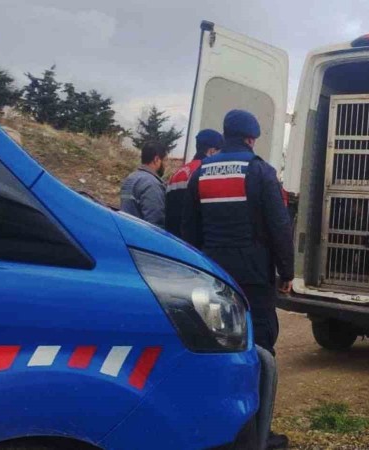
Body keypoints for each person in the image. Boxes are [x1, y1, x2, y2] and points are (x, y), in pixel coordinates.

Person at [182, 110, 293, 450]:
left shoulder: (200, 173)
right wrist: (287, 272)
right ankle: (257, 435)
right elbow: (279, 227)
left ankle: (214, 430)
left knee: (215, 349)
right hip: (254, 278)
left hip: (212, 277)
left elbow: (189, 231)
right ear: (251, 138)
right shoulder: (260, 172)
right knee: (259, 350)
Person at [164, 129, 224, 237]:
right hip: (194, 240)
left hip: (173, 239)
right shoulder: (206, 172)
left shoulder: (177, 173)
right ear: (211, 151)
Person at [120, 142, 168, 227]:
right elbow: (155, 223)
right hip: (141, 233)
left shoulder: (130, 178)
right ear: (156, 159)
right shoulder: (152, 184)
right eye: (165, 160)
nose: (166, 165)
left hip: (126, 230)